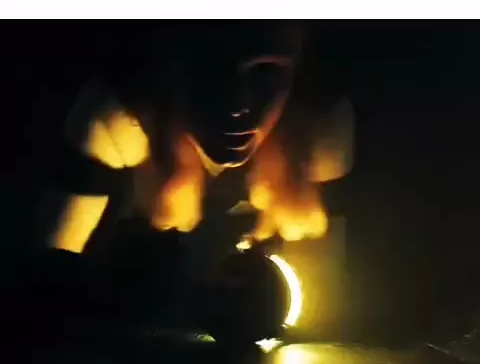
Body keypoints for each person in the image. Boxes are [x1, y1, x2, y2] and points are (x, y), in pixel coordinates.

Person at [37, 21, 355, 276]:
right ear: (166, 65)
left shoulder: (318, 127)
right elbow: (48, 279)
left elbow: (322, 297)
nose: (236, 104)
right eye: (210, 70)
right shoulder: (117, 120)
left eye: (266, 73)